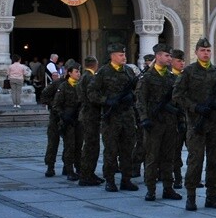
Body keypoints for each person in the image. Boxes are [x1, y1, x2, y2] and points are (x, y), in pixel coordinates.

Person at [174, 38, 216, 211]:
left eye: (208, 50)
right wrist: (195, 107)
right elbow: (177, 95)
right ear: (196, 52)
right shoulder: (188, 72)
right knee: (195, 161)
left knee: (214, 161)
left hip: (215, 123)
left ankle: (212, 196)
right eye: (202, 50)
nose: (206, 53)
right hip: (196, 123)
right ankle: (191, 196)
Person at [89, 43, 140, 192]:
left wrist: (132, 96)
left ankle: (126, 180)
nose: (124, 57)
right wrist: (107, 101)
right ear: (112, 56)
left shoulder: (129, 71)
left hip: (128, 116)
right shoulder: (103, 72)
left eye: (124, 54)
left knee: (128, 149)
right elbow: (91, 92)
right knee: (111, 150)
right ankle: (110, 180)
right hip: (111, 117)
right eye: (121, 55)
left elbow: (137, 90)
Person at [135, 43, 182, 202]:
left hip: (169, 123)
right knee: (152, 157)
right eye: (167, 55)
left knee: (169, 157)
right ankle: (151, 189)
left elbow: (177, 101)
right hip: (153, 123)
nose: (169, 58)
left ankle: (168, 188)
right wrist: (144, 119)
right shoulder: (147, 78)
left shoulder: (172, 77)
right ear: (158, 56)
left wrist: (180, 119)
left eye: (170, 56)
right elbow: (140, 100)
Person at [52, 60, 83, 181]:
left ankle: (79, 168)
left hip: (79, 120)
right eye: (76, 71)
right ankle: (69, 170)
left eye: (79, 71)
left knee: (79, 146)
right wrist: (63, 115)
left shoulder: (80, 85)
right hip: (68, 121)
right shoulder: (63, 86)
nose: (79, 73)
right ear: (69, 73)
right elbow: (56, 105)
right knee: (70, 146)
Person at [76, 56, 104, 186]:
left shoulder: (83, 77)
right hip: (91, 115)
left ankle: (89, 173)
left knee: (91, 145)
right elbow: (93, 97)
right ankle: (86, 175)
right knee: (91, 146)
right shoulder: (90, 77)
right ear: (95, 64)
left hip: (87, 114)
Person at [169, 48, 187, 189]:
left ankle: (193, 177)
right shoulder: (169, 78)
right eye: (179, 61)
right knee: (175, 150)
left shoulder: (186, 76)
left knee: (194, 151)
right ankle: (177, 177)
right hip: (175, 119)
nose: (182, 63)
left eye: (183, 61)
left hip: (189, 118)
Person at [40, 70, 64, 176]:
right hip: (55, 118)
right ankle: (50, 166)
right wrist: (54, 105)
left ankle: (68, 166)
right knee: (53, 143)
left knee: (71, 144)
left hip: (69, 118)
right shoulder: (57, 83)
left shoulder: (76, 84)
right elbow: (44, 96)